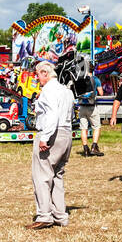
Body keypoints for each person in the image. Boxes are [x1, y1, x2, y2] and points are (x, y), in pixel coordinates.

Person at [29, 60, 74, 229]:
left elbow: (52, 114)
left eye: (38, 74)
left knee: (42, 175)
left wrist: (45, 137)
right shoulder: (66, 91)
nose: (37, 78)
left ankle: (44, 215)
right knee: (57, 175)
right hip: (66, 133)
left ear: (45, 73)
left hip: (51, 132)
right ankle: (60, 215)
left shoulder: (48, 90)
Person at [76, 72, 104, 158]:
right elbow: (101, 93)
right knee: (96, 126)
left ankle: (85, 149)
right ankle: (94, 147)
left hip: (81, 107)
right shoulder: (95, 79)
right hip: (91, 107)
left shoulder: (80, 79)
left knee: (83, 128)